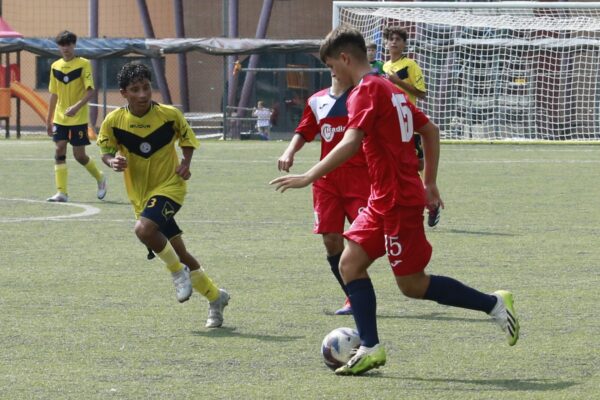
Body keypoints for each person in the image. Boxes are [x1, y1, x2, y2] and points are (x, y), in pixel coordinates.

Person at [271, 26, 519, 376]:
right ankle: (371, 347)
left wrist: (309, 175)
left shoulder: (367, 90)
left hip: (399, 200)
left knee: (413, 285)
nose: (333, 75)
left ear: (344, 58)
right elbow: (429, 130)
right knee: (349, 263)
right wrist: (430, 181)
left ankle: (493, 303)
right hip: (381, 197)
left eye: (332, 67)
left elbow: (351, 142)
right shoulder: (388, 88)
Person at [96, 62, 229, 328]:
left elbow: (187, 140)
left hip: (171, 187)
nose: (143, 94)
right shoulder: (114, 122)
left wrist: (185, 163)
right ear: (124, 93)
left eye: (146, 87)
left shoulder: (169, 115)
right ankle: (216, 298)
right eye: (136, 90)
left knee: (144, 230)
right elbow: (105, 150)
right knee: (180, 252)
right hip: (141, 198)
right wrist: (112, 162)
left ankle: (176, 273)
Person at [278, 76, 370, 316]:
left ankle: (361, 287)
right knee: (331, 240)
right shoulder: (317, 100)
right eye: (329, 65)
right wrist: (289, 151)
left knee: (360, 241)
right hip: (327, 181)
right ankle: (353, 297)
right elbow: (304, 130)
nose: (334, 70)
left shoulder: (361, 96)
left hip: (360, 179)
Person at [383, 26, 440, 227]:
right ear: (386, 43)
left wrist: (399, 82)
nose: (394, 42)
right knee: (394, 170)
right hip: (389, 127)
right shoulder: (382, 68)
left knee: (417, 167)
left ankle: (430, 204)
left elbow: (422, 93)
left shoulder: (410, 65)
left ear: (404, 44)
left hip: (409, 125)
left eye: (398, 39)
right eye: (391, 39)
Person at [46, 30, 107, 203]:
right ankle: (61, 193)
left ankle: (100, 178)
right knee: (59, 149)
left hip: (78, 117)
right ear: (59, 46)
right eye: (62, 45)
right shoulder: (55, 66)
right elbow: (53, 94)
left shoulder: (83, 64)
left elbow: (90, 91)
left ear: (74, 45)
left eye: (69, 44)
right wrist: (48, 119)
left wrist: (76, 107)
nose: (66, 48)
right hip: (60, 117)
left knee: (80, 156)